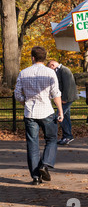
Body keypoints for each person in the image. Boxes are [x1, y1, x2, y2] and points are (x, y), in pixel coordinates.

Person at [14, 46, 64, 185]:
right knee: (52, 139)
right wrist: (60, 111)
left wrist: (25, 102)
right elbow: (56, 93)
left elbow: (17, 94)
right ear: (45, 58)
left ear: (33, 57)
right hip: (46, 111)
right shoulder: (50, 72)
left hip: (30, 112)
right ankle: (45, 164)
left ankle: (35, 177)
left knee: (32, 144)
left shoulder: (23, 73)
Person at [47, 60, 79, 145]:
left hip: (67, 98)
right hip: (66, 98)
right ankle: (67, 136)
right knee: (66, 117)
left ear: (52, 65)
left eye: (50, 68)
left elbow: (68, 85)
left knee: (60, 116)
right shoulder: (62, 70)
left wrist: (64, 99)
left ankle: (67, 136)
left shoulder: (64, 70)